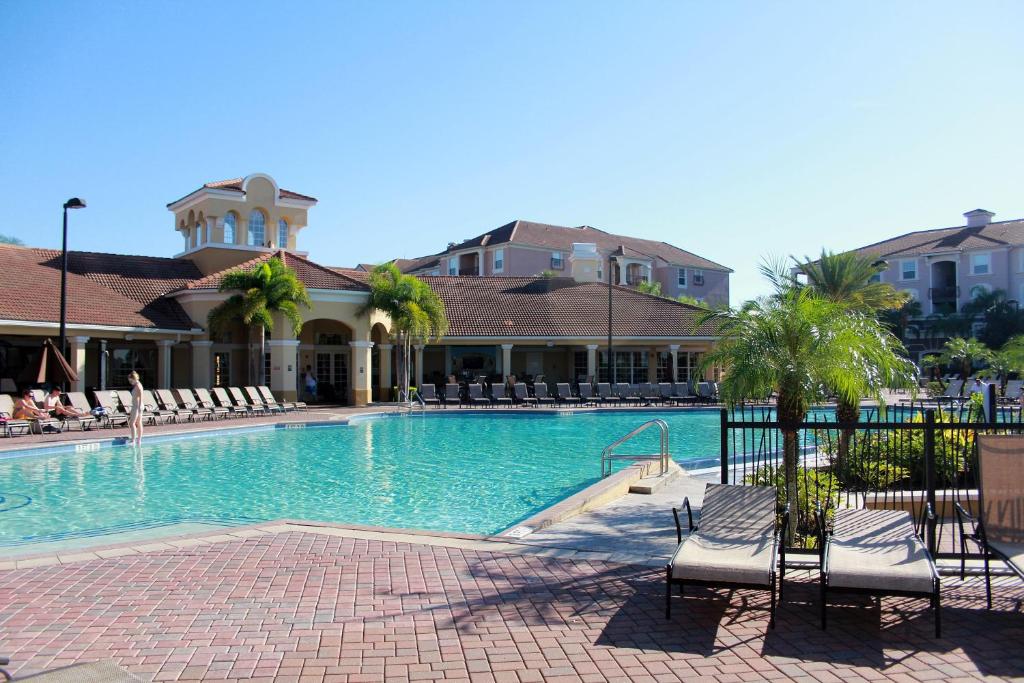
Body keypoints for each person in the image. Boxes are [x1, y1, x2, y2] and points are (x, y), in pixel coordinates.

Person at [127, 371, 144, 444]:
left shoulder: (138, 386)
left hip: (137, 406)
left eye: (131, 380)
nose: (130, 382)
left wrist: (139, 406)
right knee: (138, 423)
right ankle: (139, 440)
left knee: (132, 423)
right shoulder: (138, 385)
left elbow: (141, 396)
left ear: (134, 379)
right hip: (138, 406)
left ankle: (133, 440)